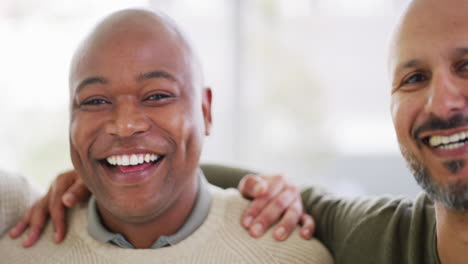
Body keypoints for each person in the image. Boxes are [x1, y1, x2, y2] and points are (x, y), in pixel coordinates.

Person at [17, 0, 468, 263]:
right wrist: (118, 172)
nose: (442, 103)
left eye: (466, 67)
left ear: (205, 109)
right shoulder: (378, 238)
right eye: (413, 79)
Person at [0, 8, 332, 264]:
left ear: (205, 111)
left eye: (157, 96)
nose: (125, 125)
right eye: (95, 101)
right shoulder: (17, 252)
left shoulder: (288, 255)